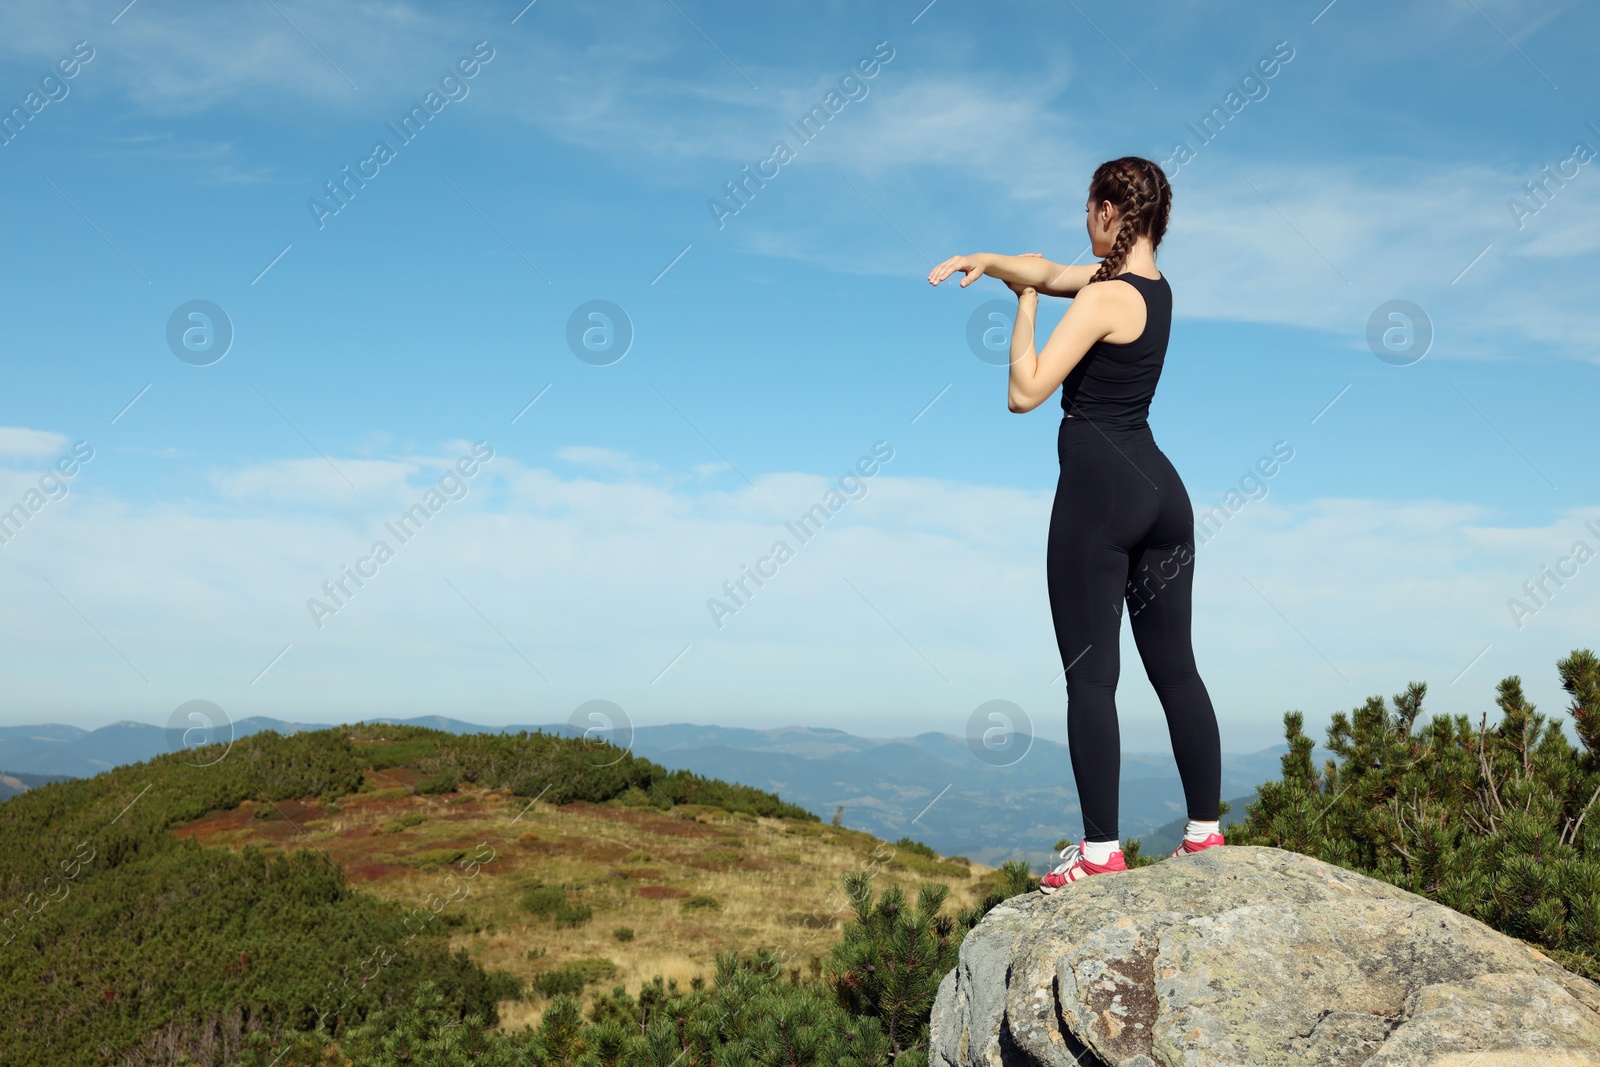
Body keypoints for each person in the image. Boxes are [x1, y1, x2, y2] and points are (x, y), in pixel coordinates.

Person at [928, 156, 1225, 893]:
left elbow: (1026, 392)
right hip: (1164, 493)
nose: (1080, 224)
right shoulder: (1153, 290)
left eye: (1086, 210)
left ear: (1106, 212)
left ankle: (1098, 851)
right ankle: (1204, 833)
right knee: (1176, 667)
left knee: (1091, 678)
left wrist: (1024, 300)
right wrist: (996, 262)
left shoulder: (1101, 299)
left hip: (1101, 499)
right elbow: (1062, 271)